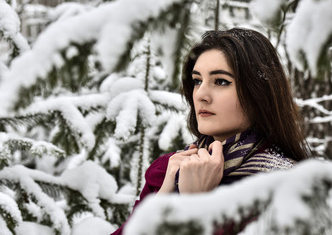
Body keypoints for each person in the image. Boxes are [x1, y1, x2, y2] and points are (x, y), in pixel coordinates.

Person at [111, 27, 310, 234]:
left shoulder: (286, 188)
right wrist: (160, 201)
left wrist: (193, 205)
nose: (201, 95)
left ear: (258, 93)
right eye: (197, 81)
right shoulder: (169, 172)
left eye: (221, 81)